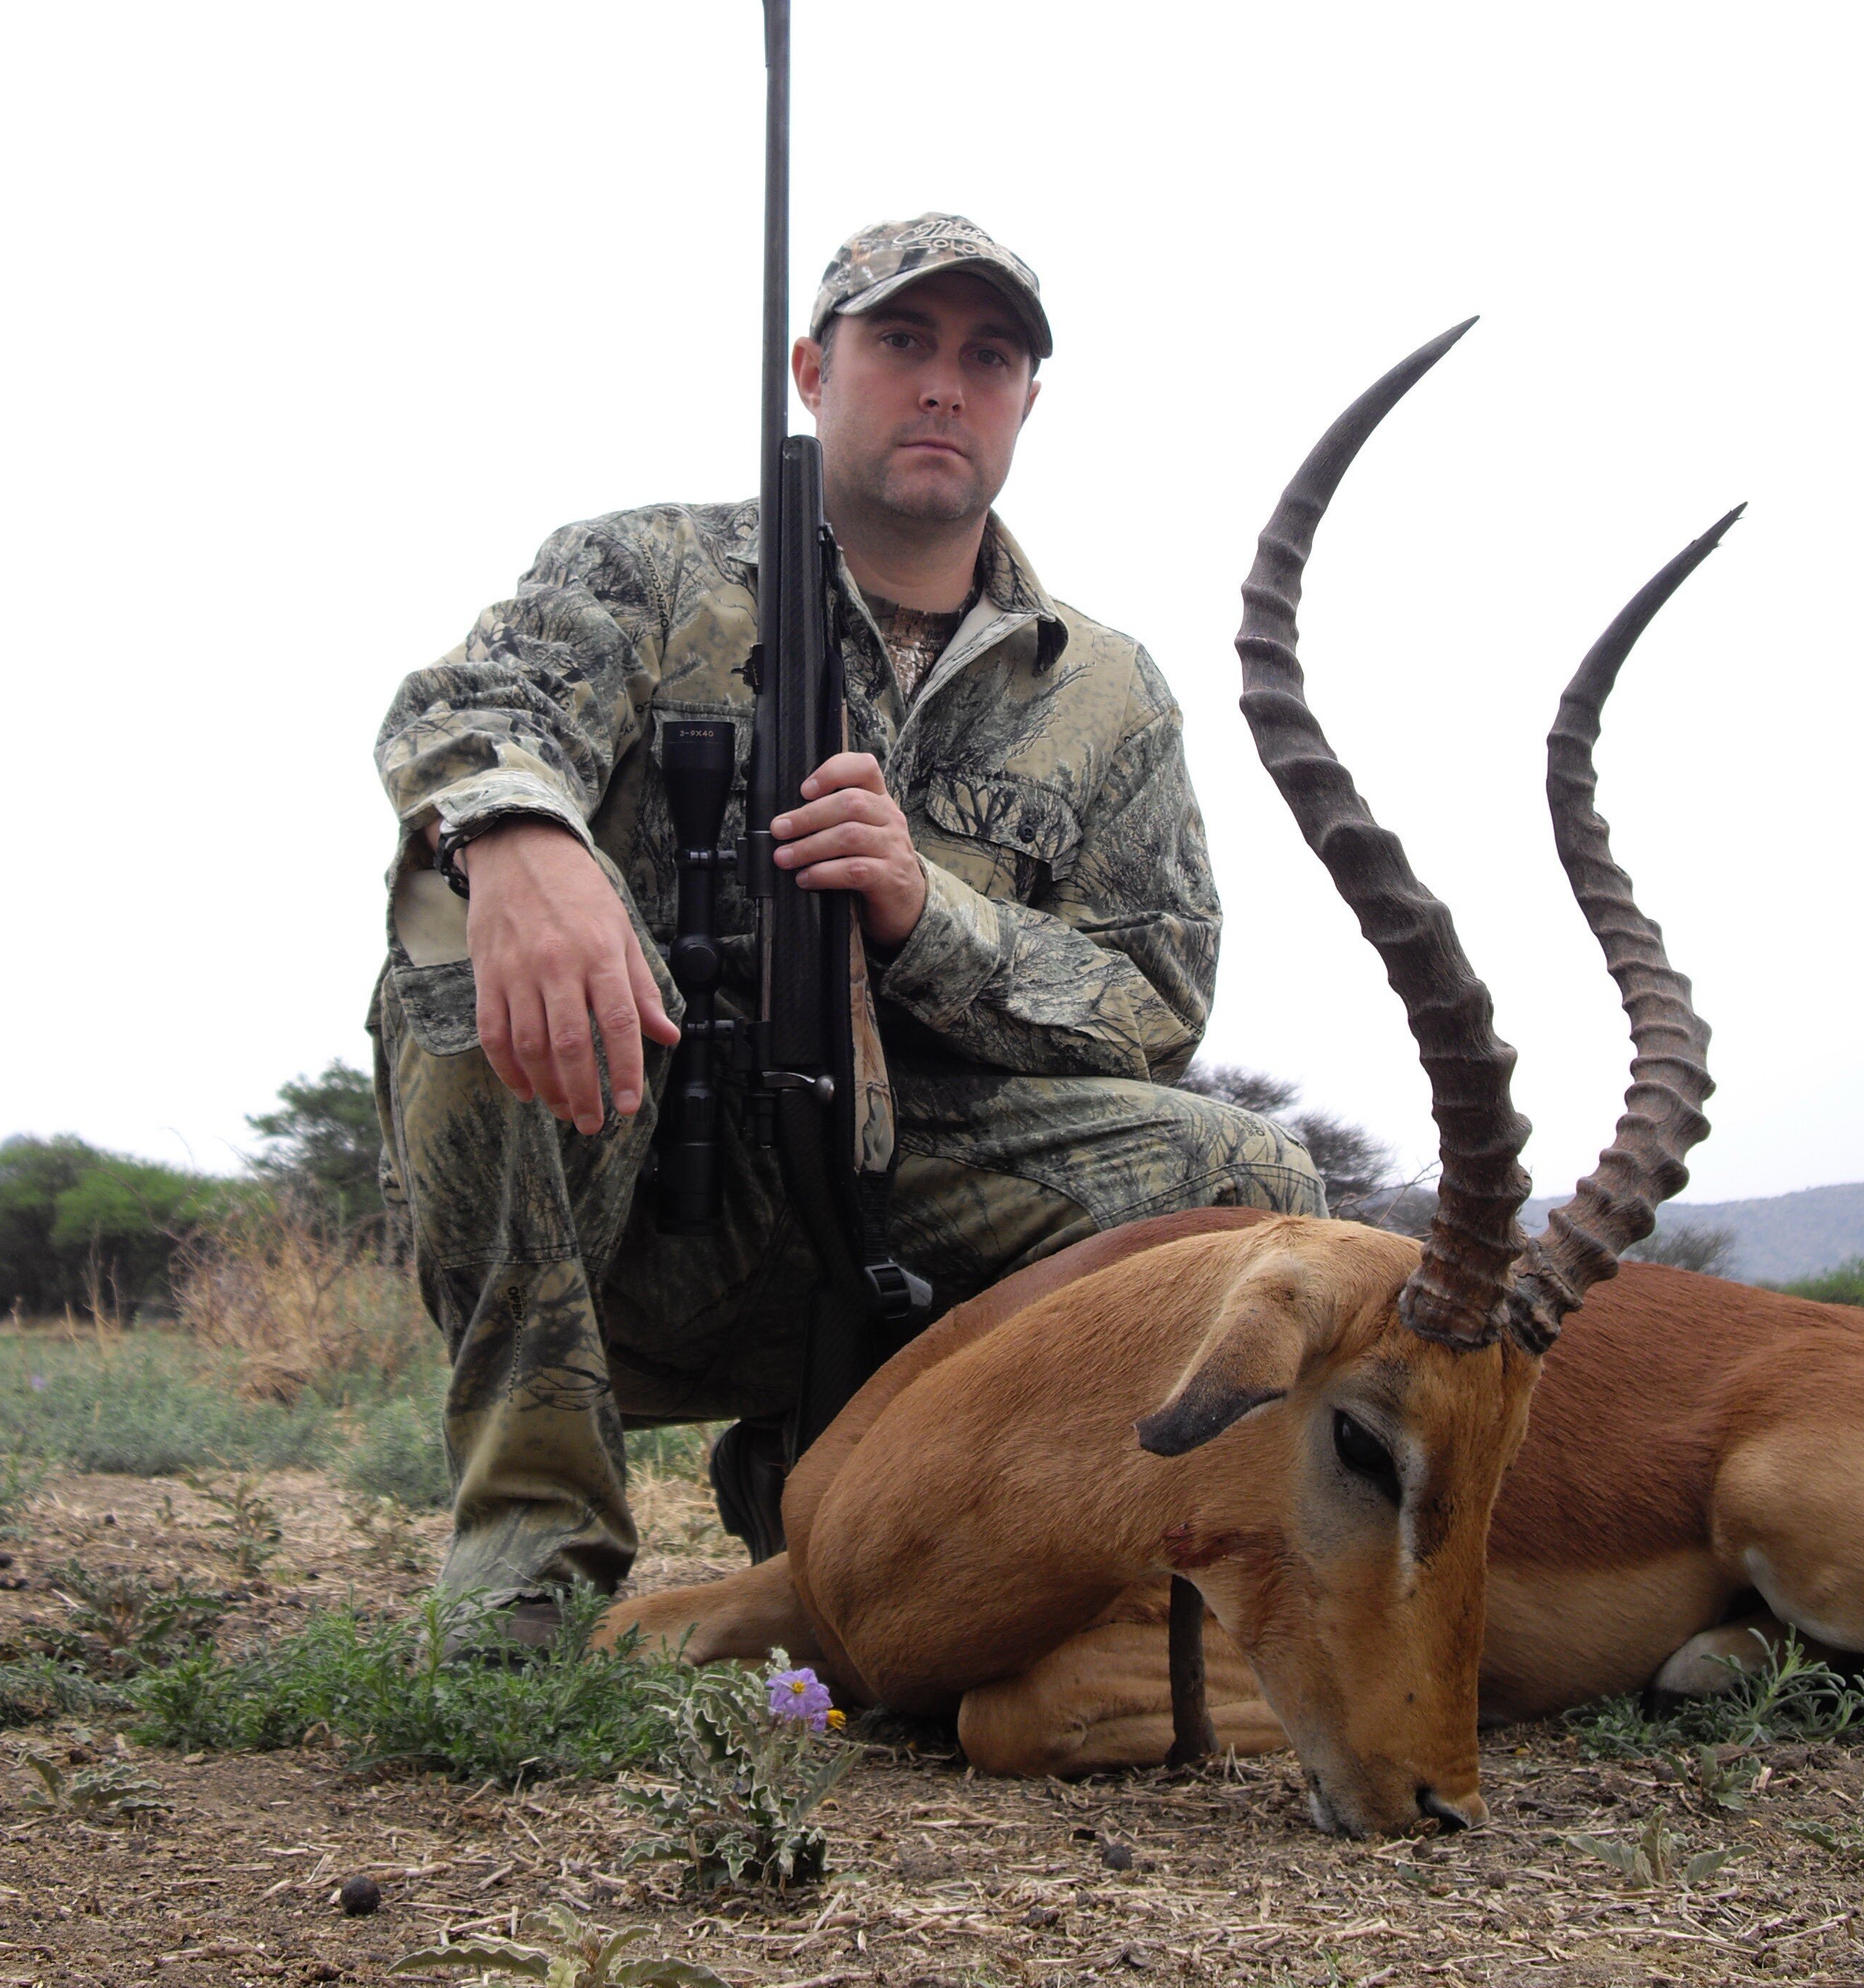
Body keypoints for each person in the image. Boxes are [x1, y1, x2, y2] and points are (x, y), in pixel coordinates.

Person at [370, 215, 1324, 1640]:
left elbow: (1155, 996)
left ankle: (986, 1534)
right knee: (458, 955)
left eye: (986, 356)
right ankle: (529, 1560)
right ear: (816, 370)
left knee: (1250, 1177)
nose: (945, 384)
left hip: (918, 1213)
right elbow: (470, 711)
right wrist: (522, 836)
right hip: (636, 1189)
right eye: (902, 343)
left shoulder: (1110, 690)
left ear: (1025, 403)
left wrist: (924, 913)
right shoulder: (648, 568)